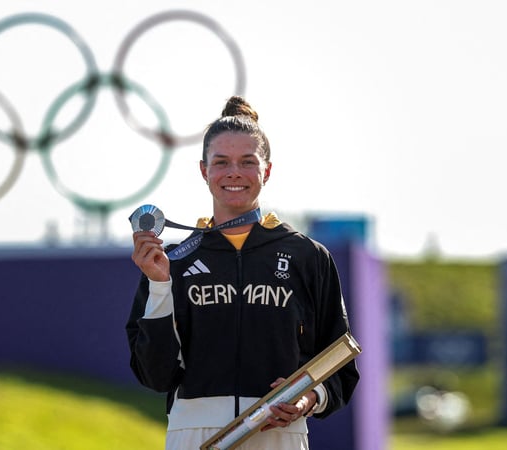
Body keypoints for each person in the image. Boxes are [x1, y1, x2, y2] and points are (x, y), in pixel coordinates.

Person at [126, 96, 360, 449]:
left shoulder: (308, 257)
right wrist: (160, 286)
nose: (234, 172)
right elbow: (155, 375)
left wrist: (307, 400)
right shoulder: (171, 262)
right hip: (194, 435)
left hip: (279, 433)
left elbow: (340, 363)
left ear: (266, 171)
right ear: (204, 171)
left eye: (247, 162)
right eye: (221, 162)